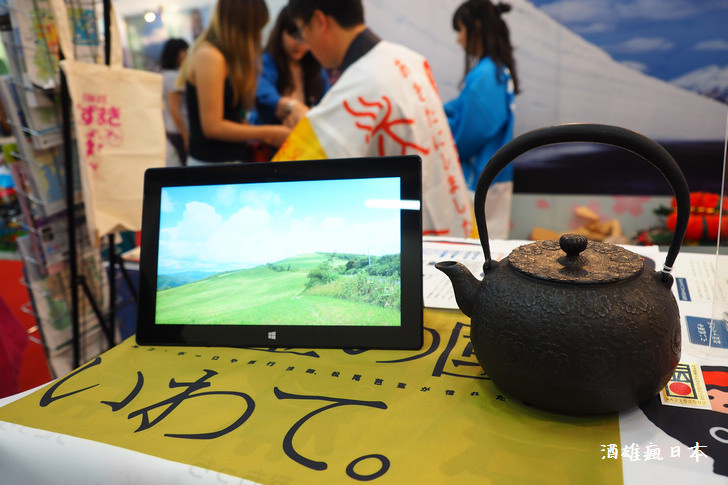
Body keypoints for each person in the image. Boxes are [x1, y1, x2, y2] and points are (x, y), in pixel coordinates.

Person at [274, 0, 473, 238]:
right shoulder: (410, 60)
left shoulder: (361, 83)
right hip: (453, 217)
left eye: (302, 30)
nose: (306, 44)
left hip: (418, 238)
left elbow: (284, 182)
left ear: (319, 21)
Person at [177, 0, 290, 165]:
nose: (260, 36)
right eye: (257, 28)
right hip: (211, 166)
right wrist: (270, 132)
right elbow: (213, 127)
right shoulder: (210, 56)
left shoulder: (226, 57)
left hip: (229, 162)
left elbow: (235, 115)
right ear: (243, 25)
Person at [445, 0, 520, 239]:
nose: (458, 39)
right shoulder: (495, 70)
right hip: (492, 178)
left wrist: (436, 123)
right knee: (490, 244)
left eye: (460, 30)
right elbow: (463, 110)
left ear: (476, 27)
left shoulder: (485, 75)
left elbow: (466, 137)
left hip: (478, 180)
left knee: (478, 250)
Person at [251, 6, 330, 128]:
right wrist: (292, 106)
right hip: (267, 135)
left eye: (304, 39)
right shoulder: (264, 63)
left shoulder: (316, 69)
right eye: (294, 36)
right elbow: (263, 94)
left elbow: (328, 101)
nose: (300, 44)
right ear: (280, 33)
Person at [160, 38, 189, 166]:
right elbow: (174, 108)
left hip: (172, 127)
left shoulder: (165, 74)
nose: (187, 55)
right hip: (179, 129)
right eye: (185, 51)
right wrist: (186, 135)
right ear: (177, 54)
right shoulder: (174, 77)